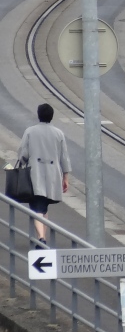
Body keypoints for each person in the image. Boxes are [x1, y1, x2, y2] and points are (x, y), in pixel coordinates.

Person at [17, 103, 70, 246]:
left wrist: (20, 163)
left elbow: (23, 153)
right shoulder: (59, 133)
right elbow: (64, 157)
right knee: (44, 207)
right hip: (52, 175)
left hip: (35, 174)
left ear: (39, 115)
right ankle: (42, 237)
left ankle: (41, 238)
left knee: (37, 208)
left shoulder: (30, 131)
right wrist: (65, 177)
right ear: (52, 116)